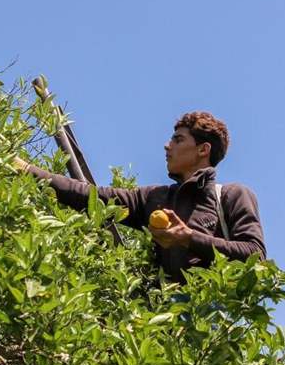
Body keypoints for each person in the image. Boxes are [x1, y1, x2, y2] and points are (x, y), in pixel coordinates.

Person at [14, 111, 266, 284]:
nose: (167, 146)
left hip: (212, 329)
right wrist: (26, 171)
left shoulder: (232, 195)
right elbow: (91, 196)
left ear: (203, 149)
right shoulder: (155, 198)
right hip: (163, 325)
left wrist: (189, 238)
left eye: (178, 140)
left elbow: (254, 254)